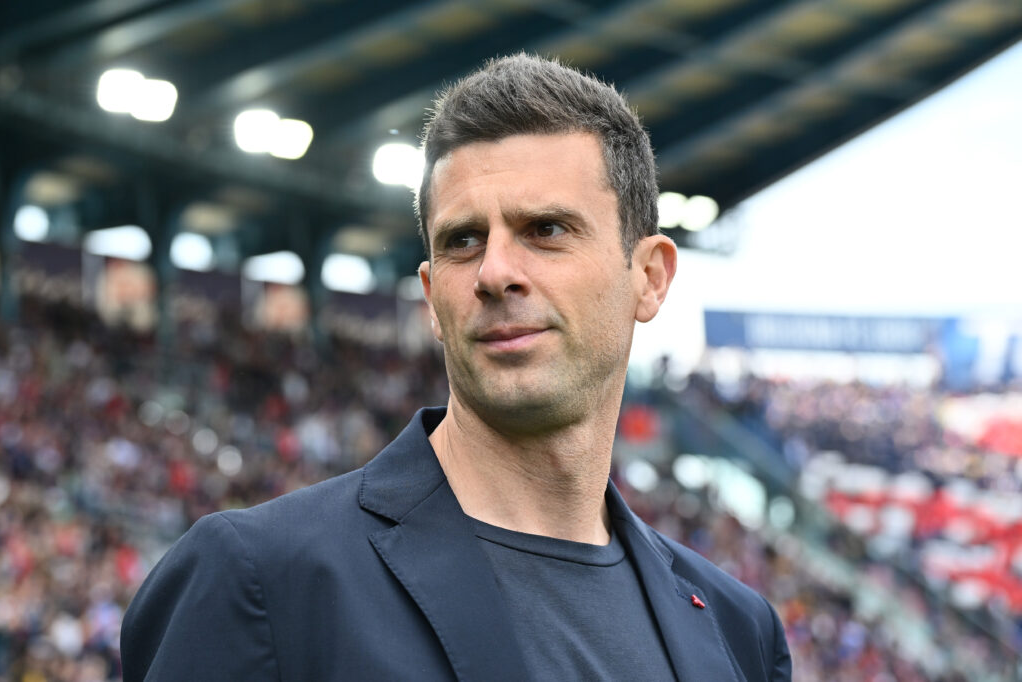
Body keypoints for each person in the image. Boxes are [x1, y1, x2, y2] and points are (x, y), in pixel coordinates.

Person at [121, 54, 792, 681]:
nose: (496, 272)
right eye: (463, 241)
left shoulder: (738, 632)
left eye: (546, 230)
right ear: (432, 296)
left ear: (649, 277)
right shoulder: (264, 580)